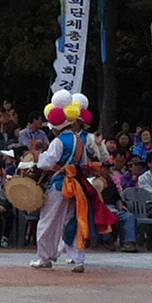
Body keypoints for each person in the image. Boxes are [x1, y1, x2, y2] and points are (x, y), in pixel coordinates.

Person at [30, 91, 101, 271]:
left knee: (47, 221)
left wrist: (39, 156)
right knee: (72, 221)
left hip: (60, 184)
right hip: (76, 185)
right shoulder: (79, 141)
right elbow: (84, 164)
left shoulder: (58, 141)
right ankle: (78, 259)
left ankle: (44, 257)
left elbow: (47, 163)